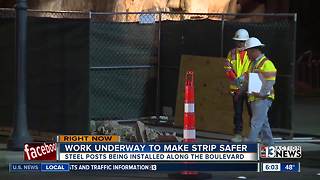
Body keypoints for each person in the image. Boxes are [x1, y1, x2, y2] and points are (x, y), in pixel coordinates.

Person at [242, 37, 277, 146]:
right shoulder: (252, 64)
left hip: (262, 98)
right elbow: (248, 80)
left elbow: (270, 82)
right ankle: (269, 145)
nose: (246, 55)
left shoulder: (267, 63)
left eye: (247, 52)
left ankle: (249, 146)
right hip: (255, 98)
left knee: (256, 123)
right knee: (263, 123)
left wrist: (262, 94)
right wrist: (242, 90)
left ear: (253, 50)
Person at [224, 29, 252, 142]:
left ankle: (254, 135)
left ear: (246, 41)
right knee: (238, 113)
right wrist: (234, 78)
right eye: (237, 41)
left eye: (242, 41)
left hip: (249, 88)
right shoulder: (231, 53)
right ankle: (238, 134)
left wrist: (244, 77)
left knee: (252, 113)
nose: (239, 44)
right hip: (236, 88)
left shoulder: (251, 53)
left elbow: (254, 68)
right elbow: (227, 67)